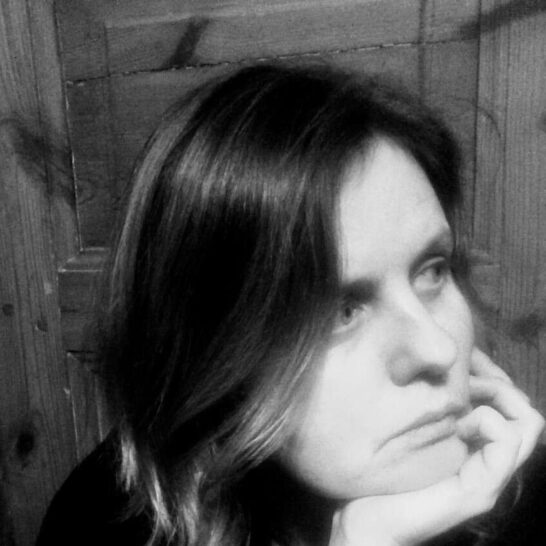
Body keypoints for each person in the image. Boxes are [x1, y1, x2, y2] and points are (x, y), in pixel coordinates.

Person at [37, 62, 545, 546]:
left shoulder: (530, 501)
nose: (439, 350)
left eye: (433, 271)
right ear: (213, 357)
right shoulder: (109, 521)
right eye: (338, 312)